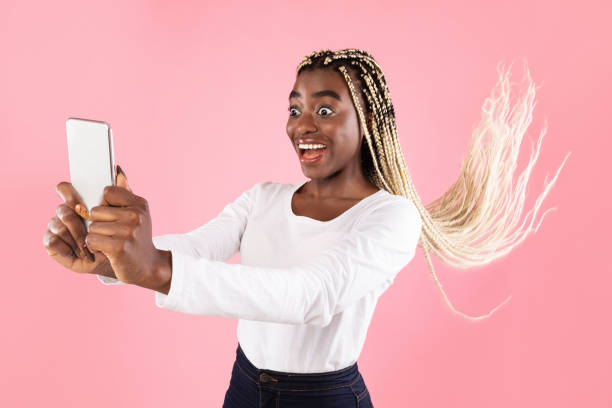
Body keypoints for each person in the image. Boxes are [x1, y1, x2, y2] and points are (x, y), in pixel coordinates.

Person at [43, 48, 569, 407]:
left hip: (324, 398)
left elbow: (309, 297)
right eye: (295, 109)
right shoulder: (263, 199)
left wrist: (155, 269)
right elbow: (198, 249)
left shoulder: (391, 218)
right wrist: (112, 261)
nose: (302, 125)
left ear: (369, 121)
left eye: (324, 108)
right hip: (245, 384)